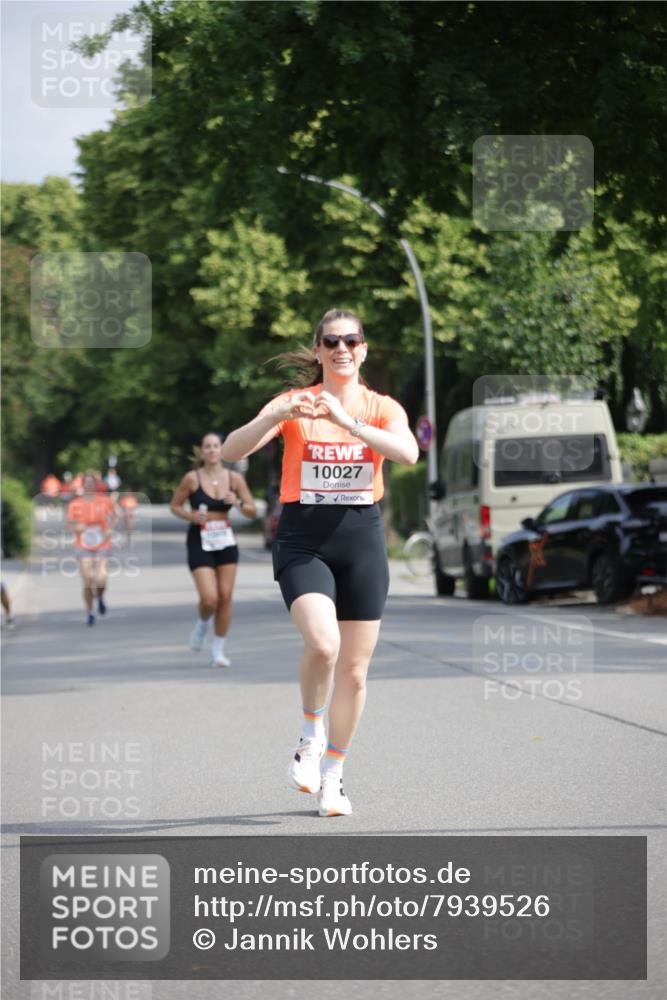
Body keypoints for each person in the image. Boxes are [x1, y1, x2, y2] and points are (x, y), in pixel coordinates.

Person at [221, 308, 418, 816]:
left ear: (363, 350)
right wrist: (277, 416)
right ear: (318, 350)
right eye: (331, 341)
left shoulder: (379, 407)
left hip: (362, 541)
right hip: (304, 541)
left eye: (351, 340)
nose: (341, 349)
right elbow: (230, 451)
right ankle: (310, 737)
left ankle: (333, 776)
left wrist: (349, 423)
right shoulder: (295, 403)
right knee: (325, 645)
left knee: (355, 672)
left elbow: (409, 453)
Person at [170, 433, 257, 668]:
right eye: (207, 446)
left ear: (222, 450)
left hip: (225, 539)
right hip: (199, 538)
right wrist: (191, 516)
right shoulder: (192, 478)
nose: (211, 450)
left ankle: (218, 651)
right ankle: (202, 623)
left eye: (216, 446)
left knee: (225, 597)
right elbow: (175, 506)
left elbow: (252, 511)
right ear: (201, 451)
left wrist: (236, 502)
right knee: (210, 599)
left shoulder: (234, 478)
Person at [67, 471, 118, 625]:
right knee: (88, 581)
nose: (89, 486)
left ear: (96, 485)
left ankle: (100, 597)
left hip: (102, 543)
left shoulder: (105, 501)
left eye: (92, 483)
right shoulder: (75, 504)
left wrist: (111, 528)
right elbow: (68, 526)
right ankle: (90, 612)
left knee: (101, 580)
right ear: (82, 485)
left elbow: (115, 518)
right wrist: (77, 527)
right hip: (83, 545)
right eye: (86, 483)